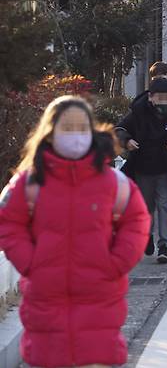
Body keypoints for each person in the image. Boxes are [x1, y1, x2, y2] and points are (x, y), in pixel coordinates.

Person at [0, 96, 150, 368]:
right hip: (45, 306)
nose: (75, 135)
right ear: (50, 130)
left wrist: (116, 262)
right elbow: (9, 222)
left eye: (81, 128)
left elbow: (137, 220)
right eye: (66, 128)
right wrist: (31, 262)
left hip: (100, 303)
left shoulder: (112, 181)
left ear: (92, 131)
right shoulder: (30, 181)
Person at [116, 77, 167, 262]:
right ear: (151, 97)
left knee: (165, 203)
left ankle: (164, 245)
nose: (164, 102)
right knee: (145, 206)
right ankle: (146, 236)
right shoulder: (138, 111)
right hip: (143, 165)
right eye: (159, 97)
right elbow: (119, 129)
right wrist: (127, 141)